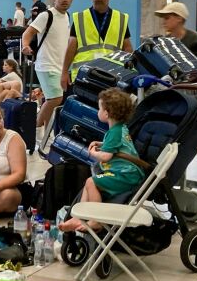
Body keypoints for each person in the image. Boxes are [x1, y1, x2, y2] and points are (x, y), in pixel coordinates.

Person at [59, 89, 146, 233]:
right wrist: (102, 144)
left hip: (125, 175)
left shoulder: (114, 132)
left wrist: (94, 153)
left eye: (99, 108)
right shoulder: (120, 128)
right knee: (89, 182)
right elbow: (118, 146)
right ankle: (78, 217)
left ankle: (96, 220)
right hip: (128, 172)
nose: (98, 111)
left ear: (106, 113)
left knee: (91, 182)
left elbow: (106, 157)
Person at [155, 2, 197, 179]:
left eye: (168, 16)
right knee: (185, 132)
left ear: (179, 18)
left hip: (196, 95)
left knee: (191, 133)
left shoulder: (194, 40)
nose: (164, 21)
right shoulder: (169, 41)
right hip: (178, 94)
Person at [62, 0, 133, 90]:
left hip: (112, 77)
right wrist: (64, 72)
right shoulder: (80, 18)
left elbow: (127, 48)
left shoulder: (121, 19)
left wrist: (130, 73)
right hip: (85, 77)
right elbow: (71, 47)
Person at [22, 0, 73, 131]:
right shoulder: (46, 15)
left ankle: (43, 131)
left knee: (54, 100)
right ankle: (35, 127)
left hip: (60, 67)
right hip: (46, 65)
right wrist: (25, 46)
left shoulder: (66, 16)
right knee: (55, 99)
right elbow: (27, 33)